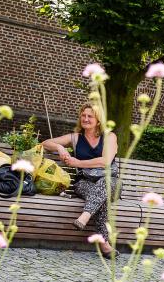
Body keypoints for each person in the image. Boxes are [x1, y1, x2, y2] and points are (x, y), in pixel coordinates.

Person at [42, 103, 118, 257]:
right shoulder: (76, 138)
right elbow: (45, 143)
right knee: (100, 197)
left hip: (110, 181)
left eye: (90, 116)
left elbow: (105, 161)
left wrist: (78, 163)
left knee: (105, 185)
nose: (86, 119)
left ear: (98, 120)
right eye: (83, 116)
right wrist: (59, 148)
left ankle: (86, 216)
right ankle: (104, 243)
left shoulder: (110, 136)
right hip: (84, 182)